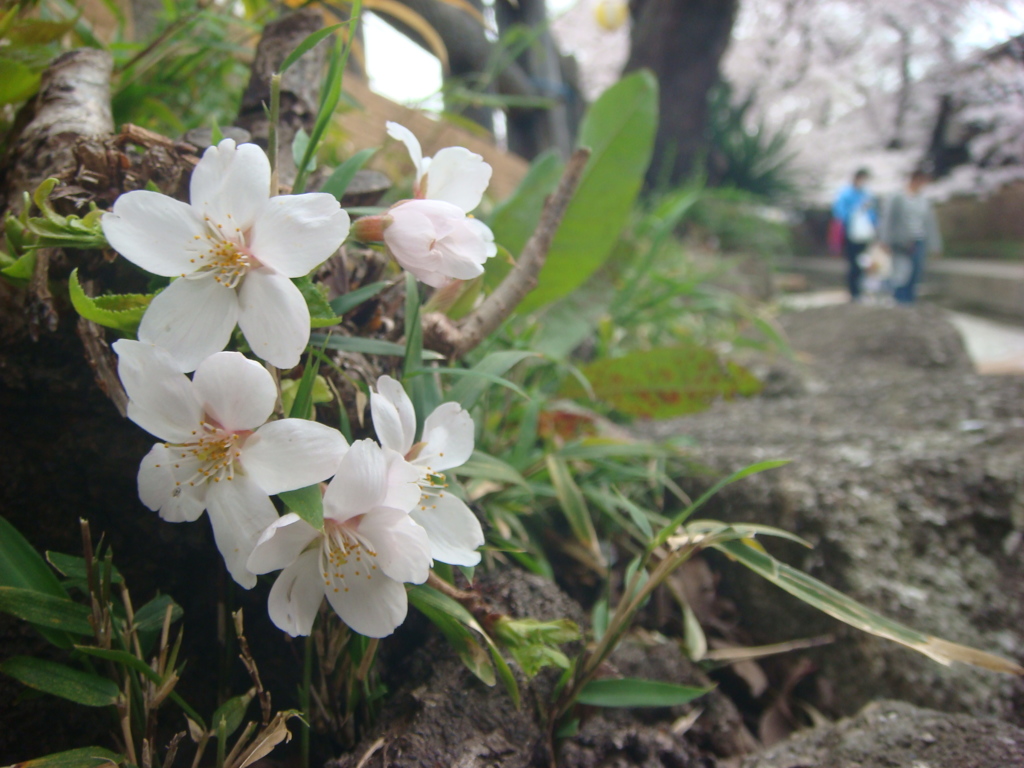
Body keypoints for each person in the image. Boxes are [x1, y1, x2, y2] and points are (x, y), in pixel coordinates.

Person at [879, 168, 943, 304]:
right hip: (901, 242)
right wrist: (885, 240)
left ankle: (910, 301)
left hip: (919, 240)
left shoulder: (924, 201)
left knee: (916, 271)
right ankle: (900, 300)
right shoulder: (897, 197)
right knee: (901, 272)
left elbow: (930, 224)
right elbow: (888, 219)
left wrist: (935, 246)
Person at [831, 168, 877, 302]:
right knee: (853, 263)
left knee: (864, 261)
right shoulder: (845, 194)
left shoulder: (867, 194)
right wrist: (855, 213)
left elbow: (872, 215)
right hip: (850, 233)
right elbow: (840, 213)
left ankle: (861, 289)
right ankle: (853, 291)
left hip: (864, 235)